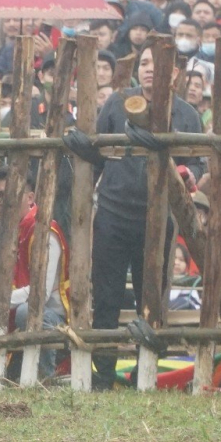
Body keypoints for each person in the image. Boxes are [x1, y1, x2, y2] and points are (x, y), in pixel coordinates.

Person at [86, 47, 203, 388]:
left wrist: (189, 174)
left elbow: (195, 162)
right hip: (112, 212)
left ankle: (144, 372)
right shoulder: (117, 102)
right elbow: (95, 154)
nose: (150, 69)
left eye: (158, 63)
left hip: (157, 218)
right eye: (145, 63)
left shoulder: (186, 115)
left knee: (150, 299)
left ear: (176, 72)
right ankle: (103, 374)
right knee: (105, 298)